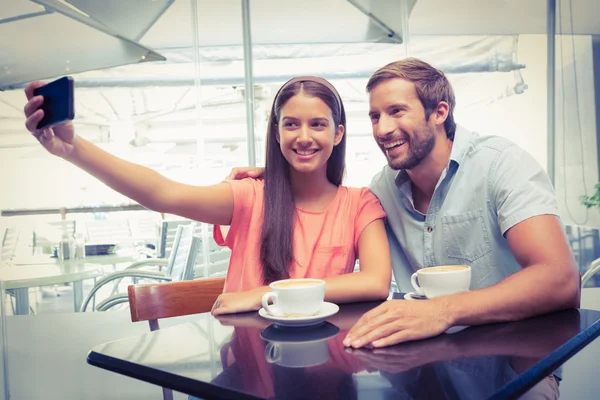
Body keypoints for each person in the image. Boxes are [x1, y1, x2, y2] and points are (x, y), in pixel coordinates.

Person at [227, 58, 581, 347]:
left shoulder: (501, 163)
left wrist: (443, 311)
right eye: (375, 116)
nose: (382, 129)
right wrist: (281, 170)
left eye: (397, 111)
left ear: (439, 111)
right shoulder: (382, 189)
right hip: (427, 366)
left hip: (518, 357)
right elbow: (325, 192)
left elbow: (561, 280)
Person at [22, 76, 392, 315]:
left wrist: (266, 293)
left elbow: (375, 282)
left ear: (338, 134)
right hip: (249, 363)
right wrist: (74, 150)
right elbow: (162, 192)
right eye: (291, 124)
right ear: (276, 134)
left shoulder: (360, 204)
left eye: (318, 124)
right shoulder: (250, 196)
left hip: (327, 359)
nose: (304, 136)